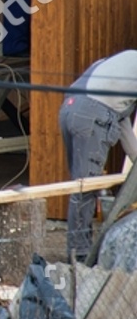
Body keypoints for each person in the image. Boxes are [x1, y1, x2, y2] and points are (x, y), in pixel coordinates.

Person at [59, 49, 137, 263]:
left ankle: (78, 250)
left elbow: (123, 123)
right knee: (86, 189)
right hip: (92, 116)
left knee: (80, 185)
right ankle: (80, 256)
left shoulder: (116, 65)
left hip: (69, 109)